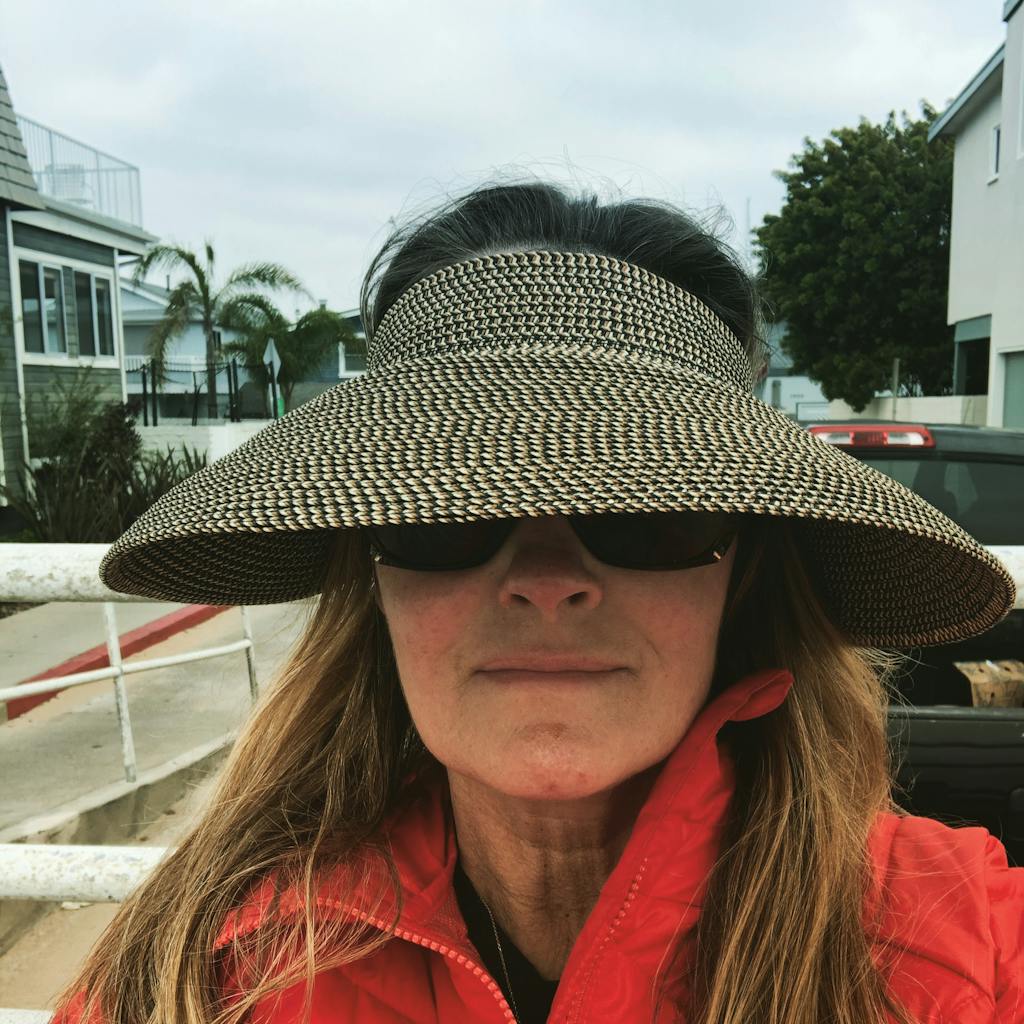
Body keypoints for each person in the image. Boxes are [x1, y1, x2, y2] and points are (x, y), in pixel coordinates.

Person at [55, 182, 1022, 1024]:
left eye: (649, 502)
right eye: (447, 505)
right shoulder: (203, 971)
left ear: (744, 568)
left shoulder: (968, 946)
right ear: (372, 571)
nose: (547, 577)